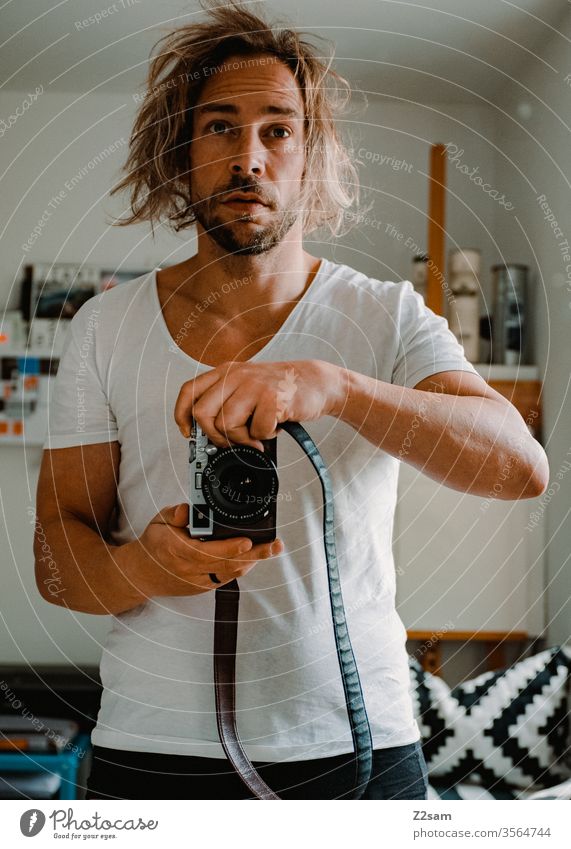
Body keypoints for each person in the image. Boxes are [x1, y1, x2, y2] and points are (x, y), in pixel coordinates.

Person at [34, 0, 549, 800]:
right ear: (179, 151)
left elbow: (519, 466)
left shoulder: (386, 314)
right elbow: (56, 560)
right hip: (152, 746)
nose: (249, 156)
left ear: (310, 156)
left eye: (278, 128)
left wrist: (336, 387)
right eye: (218, 127)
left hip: (360, 741)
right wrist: (144, 565)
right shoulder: (105, 327)